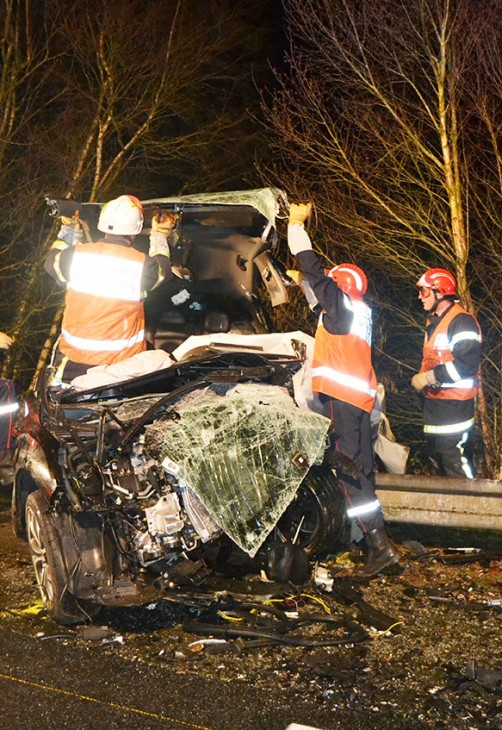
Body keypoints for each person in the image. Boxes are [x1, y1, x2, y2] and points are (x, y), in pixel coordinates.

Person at [287, 202, 400, 578]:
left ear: (340, 287)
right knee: (363, 471)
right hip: (361, 401)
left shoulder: (340, 305)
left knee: (348, 473)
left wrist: (296, 227)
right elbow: (322, 298)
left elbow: (314, 268)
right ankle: (374, 542)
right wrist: (302, 283)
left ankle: (379, 547)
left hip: (344, 401)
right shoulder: (357, 310)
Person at [44, 194, 176, 384]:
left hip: (74, 360)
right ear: (135, 231)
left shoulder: (75, 256)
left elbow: (51, 261)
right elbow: (164, 271)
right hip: (121, 365)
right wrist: (160, 235)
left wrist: (69, 229)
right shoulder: (141, 264)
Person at [411, 268, 482, 478]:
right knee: (437, 460)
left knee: (453, 461)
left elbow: (466, 365)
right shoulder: (433, 322)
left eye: (424, 291)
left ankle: (471, 498)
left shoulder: (462, 321)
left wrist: (429, 377)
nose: (420, 297)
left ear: (440, 292)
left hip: (456, 406)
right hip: (435, 407)